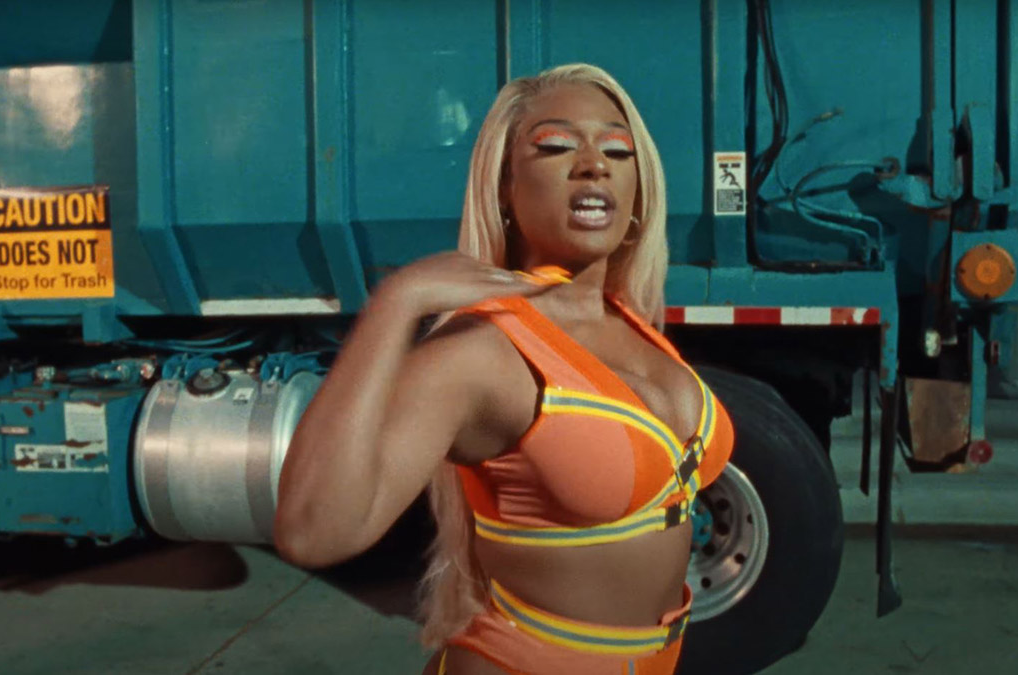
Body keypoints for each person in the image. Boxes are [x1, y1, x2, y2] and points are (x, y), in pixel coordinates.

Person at [274, 63, 735, 675]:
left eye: (618, 150)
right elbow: (312, 532)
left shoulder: (635, 322)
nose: (594, 165)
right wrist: (398, 302)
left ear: (638, 187)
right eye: (556, 146)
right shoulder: (482, 352)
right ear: (504, 189)